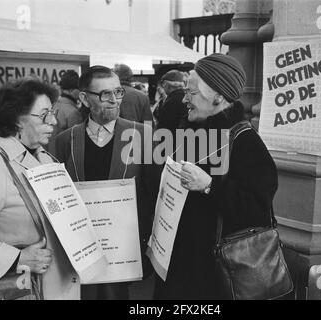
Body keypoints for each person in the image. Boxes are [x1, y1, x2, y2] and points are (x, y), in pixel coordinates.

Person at [153, 53, 278, 299]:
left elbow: (256, 209)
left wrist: (209, 186)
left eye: (192, 93)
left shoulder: (245, 141)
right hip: (177, 264)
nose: (185, 99)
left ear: (219, 96)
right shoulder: (189, 129)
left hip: (213, 275)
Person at [0, 78, 80, 300]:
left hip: (52, 285)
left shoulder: (45, 158)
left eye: (53, 113)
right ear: (17, 120)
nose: (53, 122)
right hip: (13, 289)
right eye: (44, 115)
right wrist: (16, 258)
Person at [54, 65, 155, 300]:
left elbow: (153, 194)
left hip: (125, 251)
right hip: (81, 250)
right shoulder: (65, 141)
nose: (114, 100)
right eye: (105, 94)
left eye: (118, 92)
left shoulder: (143, 136)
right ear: (84, 99)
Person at [47, 70, 84, 154]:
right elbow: (76, 143)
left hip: (49, 157)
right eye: (79, 89)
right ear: (73, 91)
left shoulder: (52, 106)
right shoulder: (73, 112)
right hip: (64, 159)